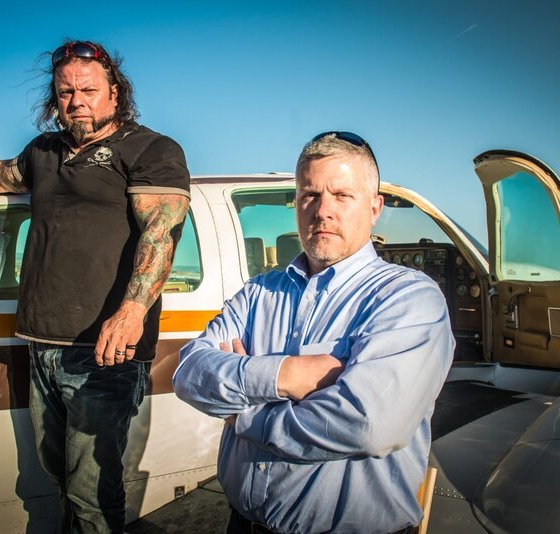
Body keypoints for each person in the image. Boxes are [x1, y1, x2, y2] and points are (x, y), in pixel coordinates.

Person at [0, 40, 190, 533]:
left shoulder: (151, 149)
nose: (77, 101)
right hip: (42, 343)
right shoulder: (44, 151)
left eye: (88, 90)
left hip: (104, 352)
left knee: (92, 492)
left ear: (115, 92)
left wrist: (131, 312)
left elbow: (161, 233)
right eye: (66, 92)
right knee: (58, 477)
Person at [173, 132, 454, 534]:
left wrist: (243, 411)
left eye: (342, 195)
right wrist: (287, 375)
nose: (323, 211)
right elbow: (189, 373)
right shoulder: (258, 293)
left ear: (374, 208)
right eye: (309, 195)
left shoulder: (408, 298)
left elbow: (366, 425)